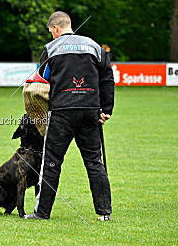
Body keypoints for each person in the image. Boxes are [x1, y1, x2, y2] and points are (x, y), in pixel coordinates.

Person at [24, 11, 115, 221]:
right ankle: (104, 213)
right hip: (90, 111)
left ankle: (42, 212)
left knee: (52, 164)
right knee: (94, 162)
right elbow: (107, 78)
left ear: (56, 28)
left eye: (51, 32)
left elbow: (40, 81)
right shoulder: (94, 46)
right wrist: (106, 109)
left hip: (61, 112)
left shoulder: (51, 49)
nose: (52, 36)